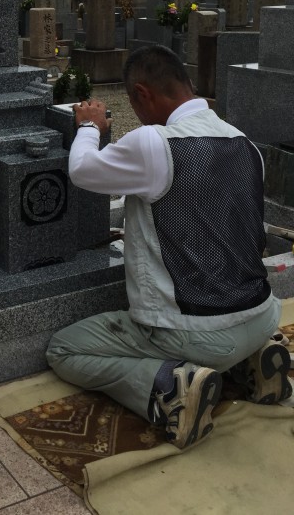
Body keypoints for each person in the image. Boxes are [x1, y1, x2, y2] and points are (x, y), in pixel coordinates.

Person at [47, 44, 291, 449]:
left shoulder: (155, 142)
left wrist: (90, 127)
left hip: (195, 331)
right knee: (232, 334)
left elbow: (83, 170)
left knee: (65, 349)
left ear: (142, 94)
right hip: (262, 314)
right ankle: (254, 363)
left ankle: (171, 389)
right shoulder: (244, 143)